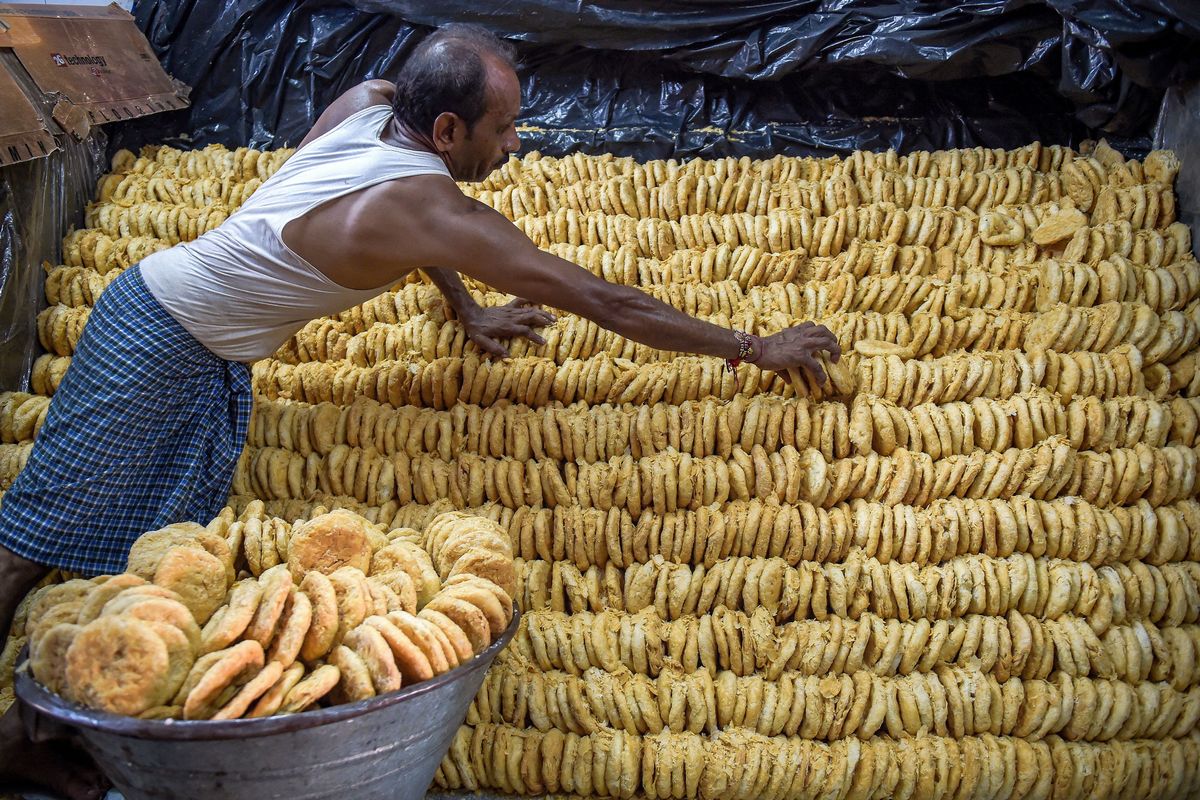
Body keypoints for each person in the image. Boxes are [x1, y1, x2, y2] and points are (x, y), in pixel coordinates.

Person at [0, 23, 840, 798]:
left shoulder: (370, 101)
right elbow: (602, 300)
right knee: (32, 542)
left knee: (143, 545)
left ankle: (35, 726)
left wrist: (465, 306)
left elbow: (376, 215)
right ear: (445, 132)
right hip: (152, 335)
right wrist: (752, 346)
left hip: (201, 342)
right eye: (503, 130)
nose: (516, 145)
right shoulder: (441, 208)